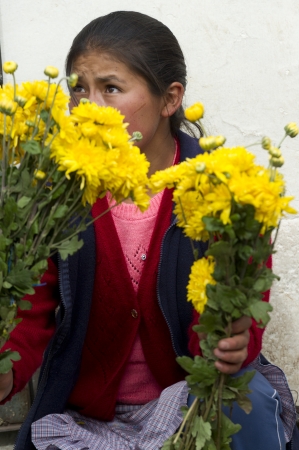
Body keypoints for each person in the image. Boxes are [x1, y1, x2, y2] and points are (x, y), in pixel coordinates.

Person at [0, 10, 297, 450]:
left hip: (190, 400)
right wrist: (5, 371)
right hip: (91, 414)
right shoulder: (58, 195)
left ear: (170, 99)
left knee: (244, 399)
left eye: (111, 88)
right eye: (78, 87)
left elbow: (236, 316)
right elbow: (30, 312)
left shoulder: (222, 193)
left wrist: (231, 342)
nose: (88, 106)